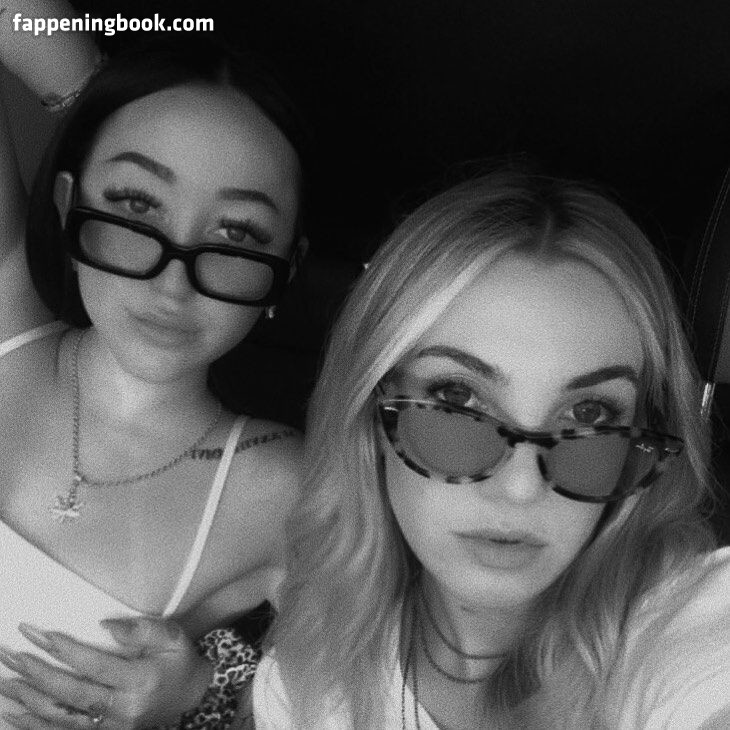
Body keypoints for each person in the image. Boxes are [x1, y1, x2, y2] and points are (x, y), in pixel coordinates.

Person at [254, 169, 730, 728]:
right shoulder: (304, 681)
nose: (522, 487)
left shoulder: (692, 628)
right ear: (372, 416)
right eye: (457, 399)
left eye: (590, 414)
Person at [0, 2, 306, 727]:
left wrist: (203, 699)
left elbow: (358, 702)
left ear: (285, 272)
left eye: (237, 235)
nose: (172, 283)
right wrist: (91, 95)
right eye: (137, 204)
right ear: (69, 206)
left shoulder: (291, 485)